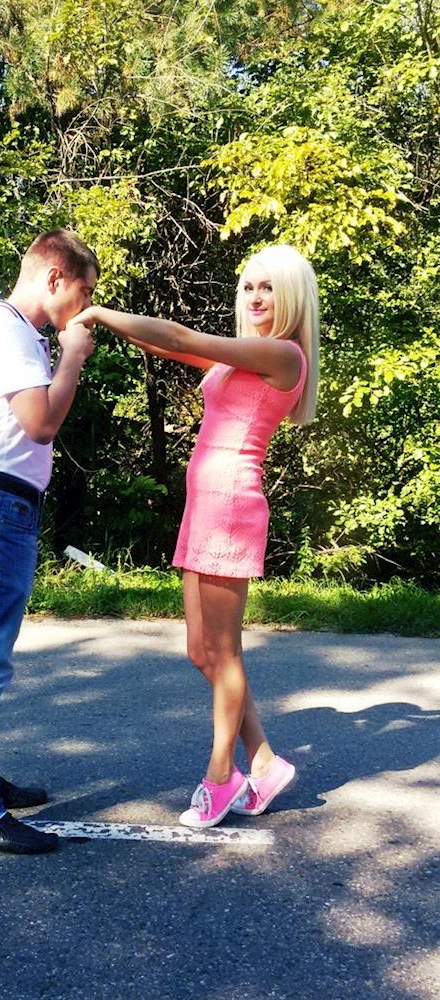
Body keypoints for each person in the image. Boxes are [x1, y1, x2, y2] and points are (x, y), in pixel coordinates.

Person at [71, 244, 319, 828]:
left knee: (225, 652)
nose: (255, 297)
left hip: (231, 506)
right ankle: (264, 762)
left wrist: (99, 313)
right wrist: (113, 325)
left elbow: (182, 337)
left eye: (268, 287)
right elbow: (169, 345)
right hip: (204, 505)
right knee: (201, 652)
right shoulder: (242, 358)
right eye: (248, 286)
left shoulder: (282, 353)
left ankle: (220, 774)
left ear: (291, 296)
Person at [0, 229, 98, 853]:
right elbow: (40, 424)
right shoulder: (10, 334)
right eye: (84, 291)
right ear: (54, 277)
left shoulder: (14, 333)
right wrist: (73, 356)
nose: (85, 307)